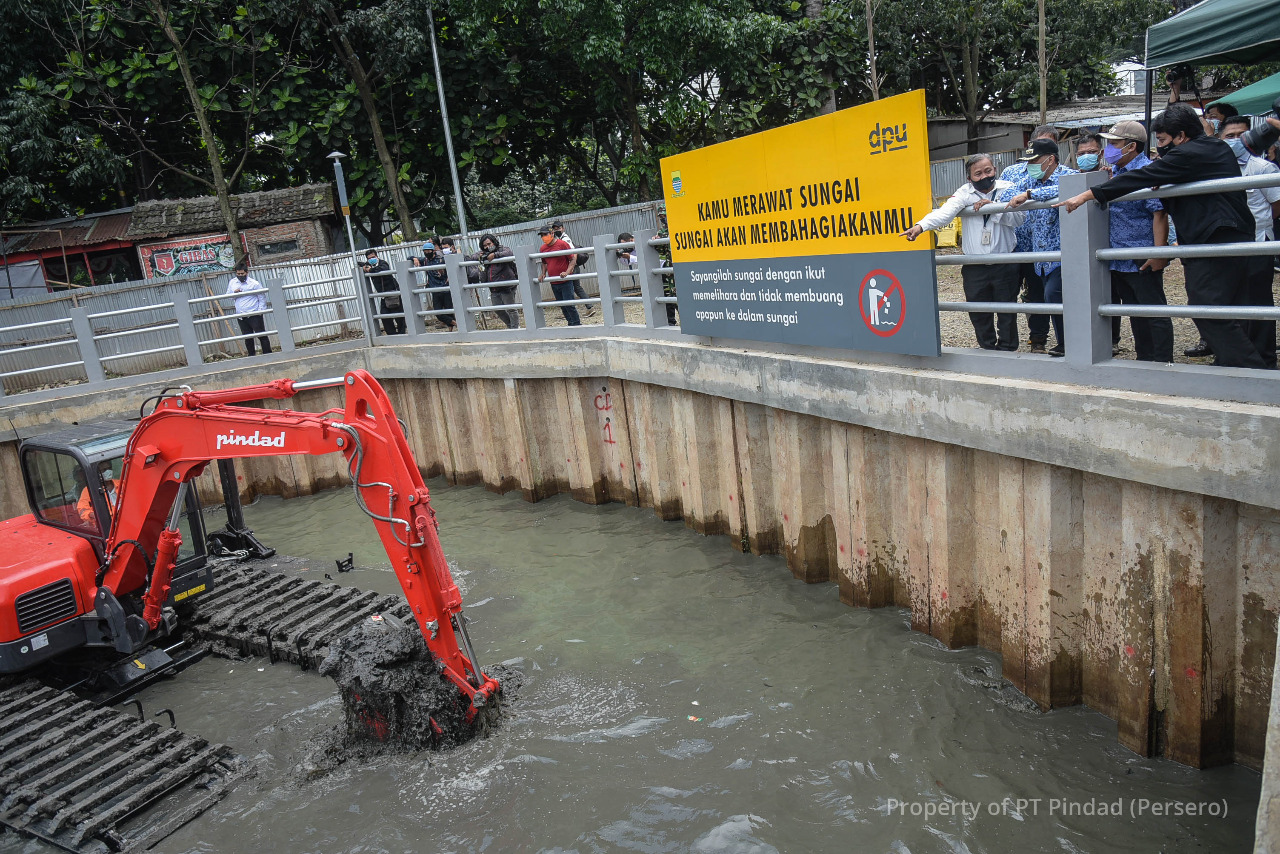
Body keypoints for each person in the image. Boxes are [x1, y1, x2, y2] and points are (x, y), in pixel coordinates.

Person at [1059, 103, 1265, 369]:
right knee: (1230, 307)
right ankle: (1245, 363)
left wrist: (1090, 194)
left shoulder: (1189, 153)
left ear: (1181, 136)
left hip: (1216, 237)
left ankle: (1248, 367)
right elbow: (1159, 174)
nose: (1162, 147)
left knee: (1205, 307)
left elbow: (1147, 179)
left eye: (1165, 140)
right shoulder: (1208, 150)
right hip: (1219, 236)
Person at [901, 153, 1026, 351]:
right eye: (978, 174)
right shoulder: (964, 193)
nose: (984, 176)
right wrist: (920, 227)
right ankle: (987, 349)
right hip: (974, 265)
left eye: (988, 170)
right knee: (977, 311)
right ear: (969, 178)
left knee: (1007, 310)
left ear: (995, 169)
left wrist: (995, 209)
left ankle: (1008, 349)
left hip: (1005, 262)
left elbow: (1019, 220)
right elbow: (944, 213)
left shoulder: (1008, 189)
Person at [1098, 120, 1174, 363]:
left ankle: (1162, 362)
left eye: (1114, 143)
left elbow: (1159, 213)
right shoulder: (1118, 172)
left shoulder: (1147, 172)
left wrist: (1158, 252)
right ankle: (1145, 359)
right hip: (1119, 256)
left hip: (1142, 255)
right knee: (1135, 313)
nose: (1108, 148)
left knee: (1154, 311)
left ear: (1131, 146)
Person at [1005, 138, 1079, 356]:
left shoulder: (1068, 176)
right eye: (1028, 161)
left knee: (1054, 294)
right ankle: (1065, 343)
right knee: (1051, 298)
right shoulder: (1031, 180)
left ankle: (1070, 342)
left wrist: (1030, 195)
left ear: (1051, 159)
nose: (1030, 166)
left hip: (1065, 253)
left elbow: (1068, 190)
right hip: (1041, 256)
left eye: (1035, 160)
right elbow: (1007, 195)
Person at [1221, 115, 1280, 367]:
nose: (1235, 140)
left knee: (1258, 301)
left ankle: (1264, 358)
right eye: (1229, 136)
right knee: (1229, 301)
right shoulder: (1217, 167)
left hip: (1257, 243)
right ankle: (1235, 356)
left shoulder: (1263, 168)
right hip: (1226, 247)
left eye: (1240, 135)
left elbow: (1276, 207)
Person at [1000, 124, 1059, 353]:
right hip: (1015, 244)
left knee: (1039, 295)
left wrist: (1029, 195)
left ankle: (1038, 340)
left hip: (1042, 247)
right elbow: (1001, 195)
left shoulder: (1058, 173)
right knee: (1007, 294)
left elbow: (1065, 189)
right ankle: (1006, 343)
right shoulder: (1011, 173)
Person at [470, 233, 519, 329]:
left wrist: (495, 255)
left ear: (494, 242)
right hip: (494, 287)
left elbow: (510, 253)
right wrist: (481, 256)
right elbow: (473, 256)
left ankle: (515, 328)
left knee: (511, 309)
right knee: (497, 309)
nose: (487, 247)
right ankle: (510, 326)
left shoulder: (502, 249)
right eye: (485, 245)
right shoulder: (485, 253)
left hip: (507, 285)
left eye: (489, 244)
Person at [226, 261, 273, 355]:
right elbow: (228, 296)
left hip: (254, 314)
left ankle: (268, 355)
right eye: (238, 274)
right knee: (247, 338)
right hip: (241, 315)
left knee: (261, 335)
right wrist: (234, 293)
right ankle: (252, 357)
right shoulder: (232, 283)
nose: (240, 275)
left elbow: (262, 297)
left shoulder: (254, 283)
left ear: (247, 273)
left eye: (242, 274)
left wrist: (260, 312)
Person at [536, 225, 580, 326]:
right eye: (542, 235)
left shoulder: (562, 244)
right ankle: (570, 324)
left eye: (545, 234)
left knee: (569, 304)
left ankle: (576, 325)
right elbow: (544, 263)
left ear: (552, 233)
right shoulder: (543, 248)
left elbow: (572, 259)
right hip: (554, 281)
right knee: (562, 305)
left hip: (565, 281)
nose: (543, 237)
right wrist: (543, 273)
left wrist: (567, 272)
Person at [411, 239, 455, 331]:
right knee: (438, 312)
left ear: (433, 251)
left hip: (445, 288)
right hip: (435, 290)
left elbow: (452, 266)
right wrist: (414, 258)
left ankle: (451, 329)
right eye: (425, 251)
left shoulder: (441, 260)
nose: (427, 253)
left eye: (429, 251)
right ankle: (456, 324)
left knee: (449, 310)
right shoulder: (425, 261)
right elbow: (409, 257)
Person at [551, 219, 591, 314]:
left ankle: (572, 310)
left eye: (559, 228)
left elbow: (573, 252)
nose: (557, 230)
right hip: (572, 267)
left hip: (571, 267)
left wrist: (571, 266)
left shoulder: (565, 239)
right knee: (576, 287)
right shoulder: (560, 239)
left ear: (563, 228)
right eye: (555, 229)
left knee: (570, 288)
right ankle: (589, 306)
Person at [362, 249, 405, 335]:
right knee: (385, 316)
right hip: (383, 295)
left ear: (377, 256)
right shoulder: (369, 265)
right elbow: (360, 264)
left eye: (373, 257)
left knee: (398, 315)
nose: (371, 259)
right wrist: (364, 266)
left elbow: (384, 268)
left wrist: (370, 270)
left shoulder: (383, 263)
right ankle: (392, 335)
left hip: (393, 292)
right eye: (369, 258)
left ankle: (402, 334)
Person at [77, 462, 118, 528]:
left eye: (109, 468)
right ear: (98, 473)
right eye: (104, 470)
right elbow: (82, 510)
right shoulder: (89, 490)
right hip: (105, 526)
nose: (108, 471)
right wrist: (93, 515)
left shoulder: (122, 483)